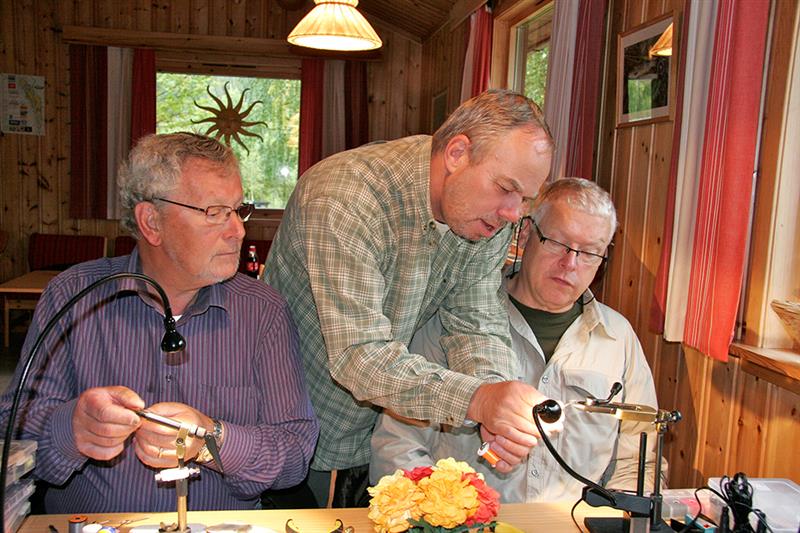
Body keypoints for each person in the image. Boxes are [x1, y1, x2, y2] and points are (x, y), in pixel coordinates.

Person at [264, 89, 556, 507]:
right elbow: (359, 357)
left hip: (383, 439)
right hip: (296, 432)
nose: (513, 213)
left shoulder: (488, 218)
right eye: (506, 188)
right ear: (457, 153)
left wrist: (497, 403)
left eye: (525, 198)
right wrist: (478, 400)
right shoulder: (345, 195)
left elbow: (476, 324)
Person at [0, 132, 319, 513]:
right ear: (151, 221)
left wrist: (212, 441)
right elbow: (13, 438)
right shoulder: (72, 296)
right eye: (214, 212)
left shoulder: (263, 311)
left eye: (238, 209)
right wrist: (74, 429)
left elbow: (295, 455)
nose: (238, 230)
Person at [370, 177, 663, 503]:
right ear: (525, 233)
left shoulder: (618, 340)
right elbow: (397, 446)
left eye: (590, 253)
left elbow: (640, 461)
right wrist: (437, 519)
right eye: (557, 242)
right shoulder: (456, 321)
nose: (570, 264)